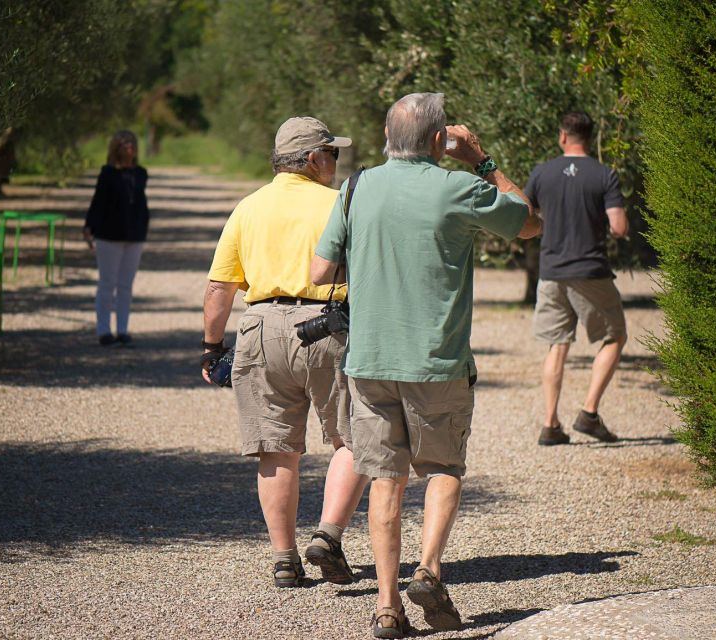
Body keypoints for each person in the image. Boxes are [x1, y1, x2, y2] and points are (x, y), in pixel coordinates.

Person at [311, 93, 541, 638]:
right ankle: (429, 569)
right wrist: (481, 160)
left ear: (388, 136)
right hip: (437, 362)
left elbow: (321, 270)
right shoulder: (459, 187)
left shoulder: (356, 187)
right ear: (440, 140)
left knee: (385, 480)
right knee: (442, 470)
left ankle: (387, 608)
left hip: (369, 362)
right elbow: (529, 223)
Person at [201, 116, 370, 589]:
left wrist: (212, 348)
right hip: (328, 325)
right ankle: (328, 535)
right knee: (353, 437)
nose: (336, 163)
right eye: (333, 154)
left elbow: (219, 288)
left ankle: (284, 558)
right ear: (314, 159)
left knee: (275, 449)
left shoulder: (248, 207)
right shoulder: (341, 203)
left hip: (259, 326)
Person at [523, 111, 629, 446]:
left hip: (551, 271)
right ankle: (588, 412)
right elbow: (619, 227)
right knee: (615, 337)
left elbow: (525, 215)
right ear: (587, 136)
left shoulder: (543, 173)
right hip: (589, 271)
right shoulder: (604, 175)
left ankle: (550, 424)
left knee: (558, 344)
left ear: (563, 136)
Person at [83, 130, 149, 346]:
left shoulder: (141, 173)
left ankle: (122, 330)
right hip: (108, 235)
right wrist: (89, 226)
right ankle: (103, 331)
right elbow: (98, 202)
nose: (130, 146)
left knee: (125, 285)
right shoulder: (108, 173)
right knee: (107, 284)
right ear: (116, 148)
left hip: (134, 236)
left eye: (132, 142)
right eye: (125, 143)